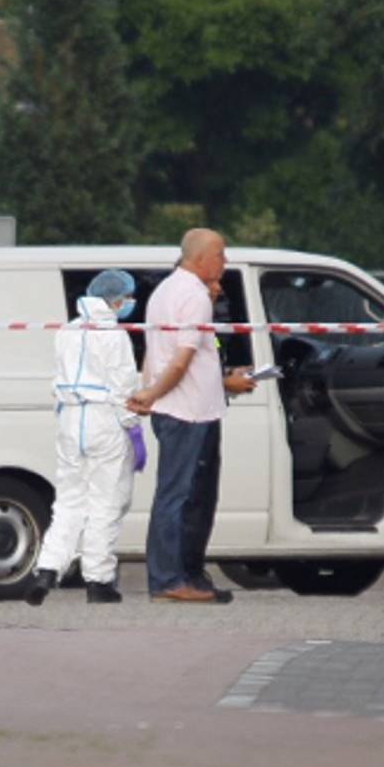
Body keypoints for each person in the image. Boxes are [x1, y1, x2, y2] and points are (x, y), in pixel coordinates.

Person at [129, 228, 255, 603]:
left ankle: (187, 575)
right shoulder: (194, 296)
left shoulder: (164, 292)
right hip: (189, 413)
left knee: (187, 496)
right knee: (182, 498)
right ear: (200, 258)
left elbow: (164, 353)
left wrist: (151, 389)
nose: (225, 262)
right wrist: (152, 393)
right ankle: (170, 579)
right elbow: (181, 361)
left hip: (185, 408)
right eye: (221, 255)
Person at [25, 269, 147, 606]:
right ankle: (99, 580)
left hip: (69, 420)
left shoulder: (67, 330)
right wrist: (133, 427)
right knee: (106, 502)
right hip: (104, 419)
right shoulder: (113, 334)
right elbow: (123, 386)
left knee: (68, 501)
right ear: (116, 300)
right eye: (127, 297)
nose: (129, 303)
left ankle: (47, 569)